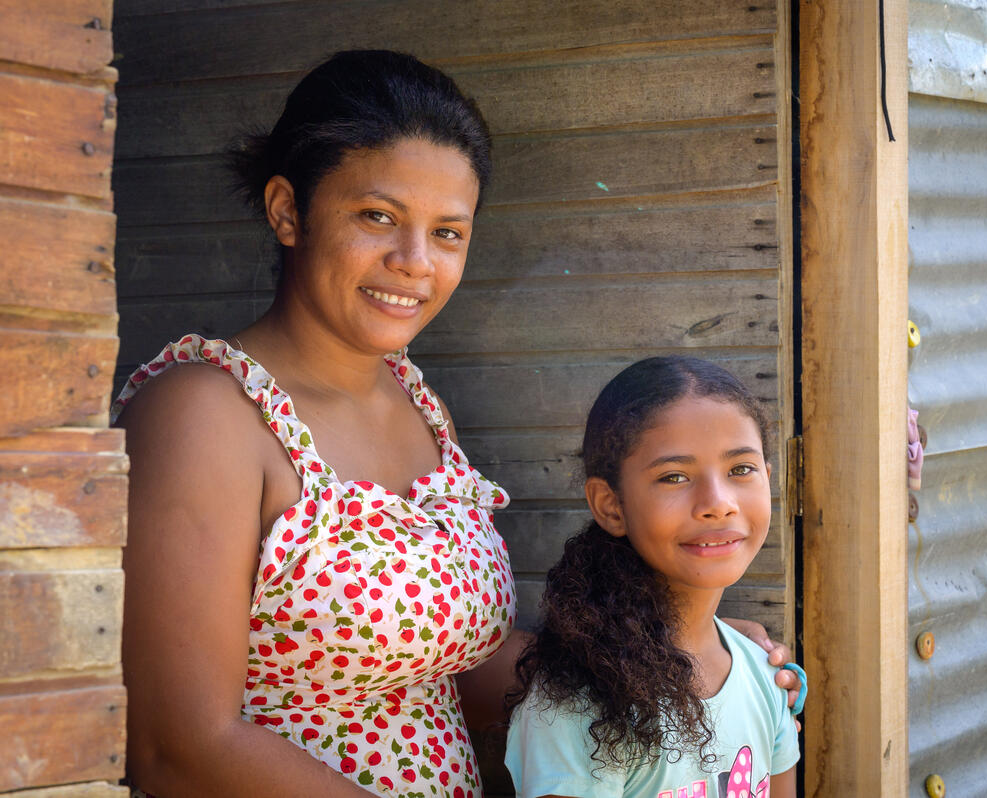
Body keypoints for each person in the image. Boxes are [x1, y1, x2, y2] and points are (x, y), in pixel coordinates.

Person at [115, 50, 802, 798]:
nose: (415, 262)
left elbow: (450, 659)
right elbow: (177, 745)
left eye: (448, 232)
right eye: (377, 216)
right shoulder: (202, 412)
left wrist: (689, 665)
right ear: (288, 211)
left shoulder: (415, 404)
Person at [504, 356, 808, 798]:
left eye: (740, 469)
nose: (717, 502)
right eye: (674, 476)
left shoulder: (768, 677)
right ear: (610, 505)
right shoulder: (578, 707)